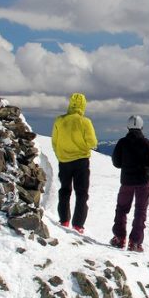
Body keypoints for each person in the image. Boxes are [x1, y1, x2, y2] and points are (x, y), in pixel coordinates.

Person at [110, 115, 149, 252]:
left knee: (121, 208)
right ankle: (135, 242)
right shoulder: (146, 143)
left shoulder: (122, 143)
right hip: (143, 181)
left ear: (128, 127)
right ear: (141, 127)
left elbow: (116, 162)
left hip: (126, 181)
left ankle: (119, 238)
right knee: (140, 210)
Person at [51, 93, 97, 234]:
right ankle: (78, 225)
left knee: (65, 190)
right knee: (81, 193)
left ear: (70, 104)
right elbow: (92, 143)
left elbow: (54, 142)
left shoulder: (59, 121)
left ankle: (64, 219)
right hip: (81, 161)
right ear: (83, 105)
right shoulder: (85, 122)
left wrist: (60, 155)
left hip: (64, 161)